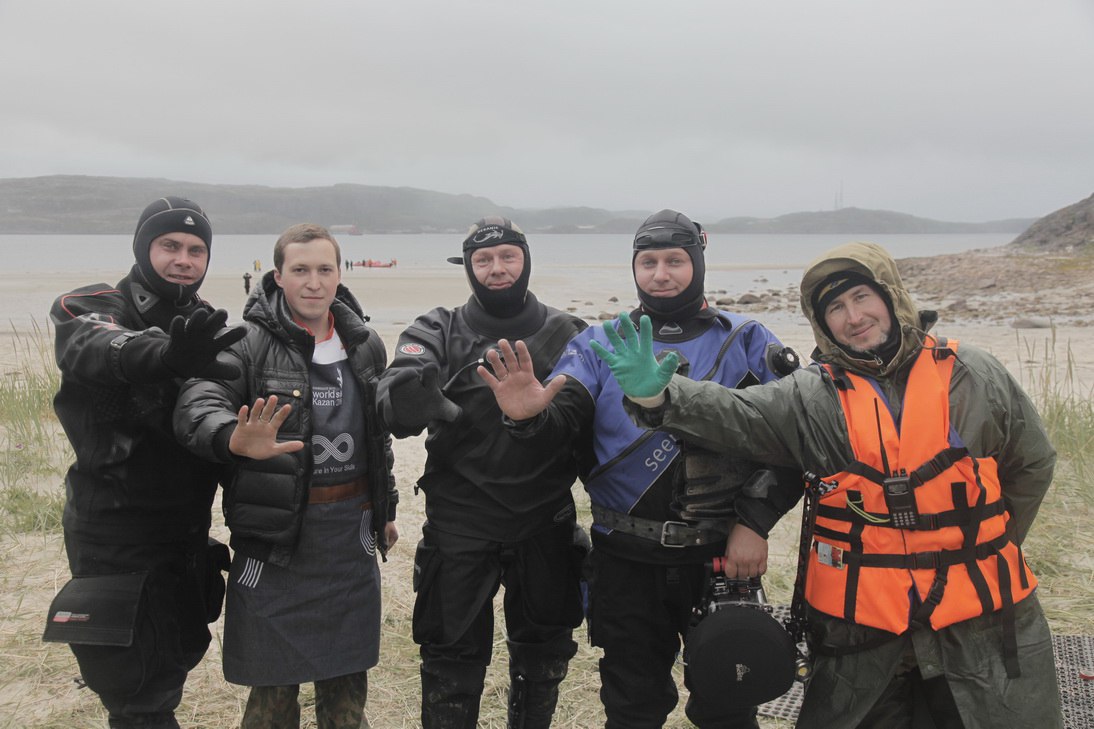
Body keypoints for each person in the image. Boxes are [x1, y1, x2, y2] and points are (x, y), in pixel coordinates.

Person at [590, 241, 1063, 729]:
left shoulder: (976, 375)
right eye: (835, 308)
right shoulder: (811, 396)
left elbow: (1032, 465)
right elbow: (736, 414)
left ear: (891, 296)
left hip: (981, 625)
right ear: (822, 323)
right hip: (861, 634)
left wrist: (983, 543)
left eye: (861, 297)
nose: (853, 317)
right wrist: (658, 396)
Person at [479, 209, 801, 728]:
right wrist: (528, 419)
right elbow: (563, 422)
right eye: (648, 262)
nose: (660, 274)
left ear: (697, 262)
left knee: (727, 706)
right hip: (624, 560)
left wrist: (754, 523)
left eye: (675, 261)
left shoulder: (745, 340)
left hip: (720, 558)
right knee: (632, 706)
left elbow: (792, 443)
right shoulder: (600, 343)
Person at [174, 223, 399, 729]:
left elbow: (377, 436)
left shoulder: (364, 344)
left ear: (339, 275)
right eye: (300, 270)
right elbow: (196, 405)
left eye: (324, 269)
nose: (313, 282)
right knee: (271, 705)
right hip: (277, 541)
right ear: (278, 276)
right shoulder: (246, 343)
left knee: (346, 702)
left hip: (349, 538)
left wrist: (386, 509)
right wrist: (232, 437)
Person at [376, 216, 587, 729]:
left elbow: (588, 422)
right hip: (459, 523)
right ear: (468, 267)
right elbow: (398, 383)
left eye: (508, 256)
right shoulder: (438, 328)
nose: (497, 268)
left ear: (526, 260)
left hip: (544, 520)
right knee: (450, 659)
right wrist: (405, 398)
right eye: (484, 260)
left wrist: (532, 418)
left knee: (543, 659)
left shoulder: (569, 332)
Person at [47, 196, 244, 729]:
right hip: (115, 532)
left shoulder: (204, 324)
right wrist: (163, 355)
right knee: (135, 692)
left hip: (185, 532)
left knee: (174, 659)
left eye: (196, 250)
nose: (183, 259)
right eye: (169, 246)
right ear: (142, 248)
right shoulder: (92, 305)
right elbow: (96, 345)